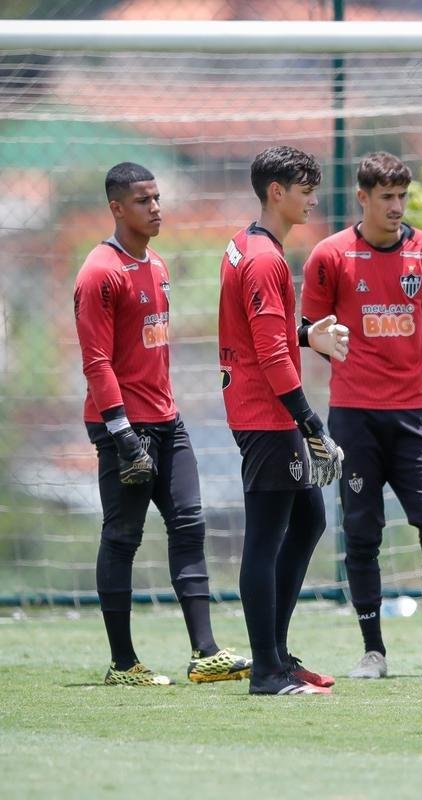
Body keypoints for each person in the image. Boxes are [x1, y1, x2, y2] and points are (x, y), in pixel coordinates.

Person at [301, 152, 422, 680]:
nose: (396, 207)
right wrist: (360, 367)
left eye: (402, 197)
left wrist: (394, 365)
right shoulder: (329, 255)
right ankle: (373, 653)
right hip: (353, 416)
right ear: (362, 198)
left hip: (412, 416)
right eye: (386, 197)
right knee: (362, 533)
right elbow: (314, 331)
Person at [73, 162, 252, 686]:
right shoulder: (98, 273)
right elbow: (96, 363)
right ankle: (123, 664)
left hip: (167, 422)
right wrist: (122, 434)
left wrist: (163, 413)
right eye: (143, 201)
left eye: (158, 198)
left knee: (190, 524)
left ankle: (205, 654)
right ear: (116, 208)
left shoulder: (158, 266)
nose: (156, 208)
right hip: (121, 428)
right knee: (123, 537)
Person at [218, 145, 349, 696]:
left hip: (261, 408)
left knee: (309, 522)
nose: (312, 199)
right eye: (304, 188)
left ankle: (274, 653)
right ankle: (266, 670)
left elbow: (264, 335)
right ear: (277, 191)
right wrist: (313, 426)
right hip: (264, 414)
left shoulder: (247, 245)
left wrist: (305, 335)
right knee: (267, 538)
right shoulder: (266, 259)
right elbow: (270, 358)